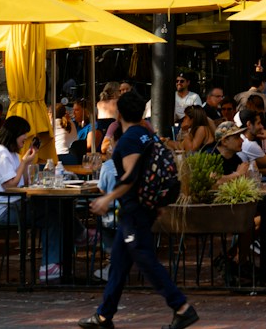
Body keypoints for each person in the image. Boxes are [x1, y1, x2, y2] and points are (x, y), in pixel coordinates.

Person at [81, 89, 199, 329]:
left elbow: (131, 176)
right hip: (141, 209)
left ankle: (182, 307)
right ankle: (104, 315)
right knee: (119, 263)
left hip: (135, 211)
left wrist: (108, 198)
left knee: (145, 259)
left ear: (119, 114)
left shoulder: (130, 139)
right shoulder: (148, 135)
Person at [0, 115, 64, 282]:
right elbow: (11, 185)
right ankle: (50, 265)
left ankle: (63, 252)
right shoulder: (0, 154)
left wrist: (27, 163)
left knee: (55, 207)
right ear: (14, 134)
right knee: (51, 215)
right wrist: (24, 163)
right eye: (23, 134)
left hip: (13, 203)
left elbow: (23, 182)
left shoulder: (12, 154)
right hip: (1, 209)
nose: (25, 138)